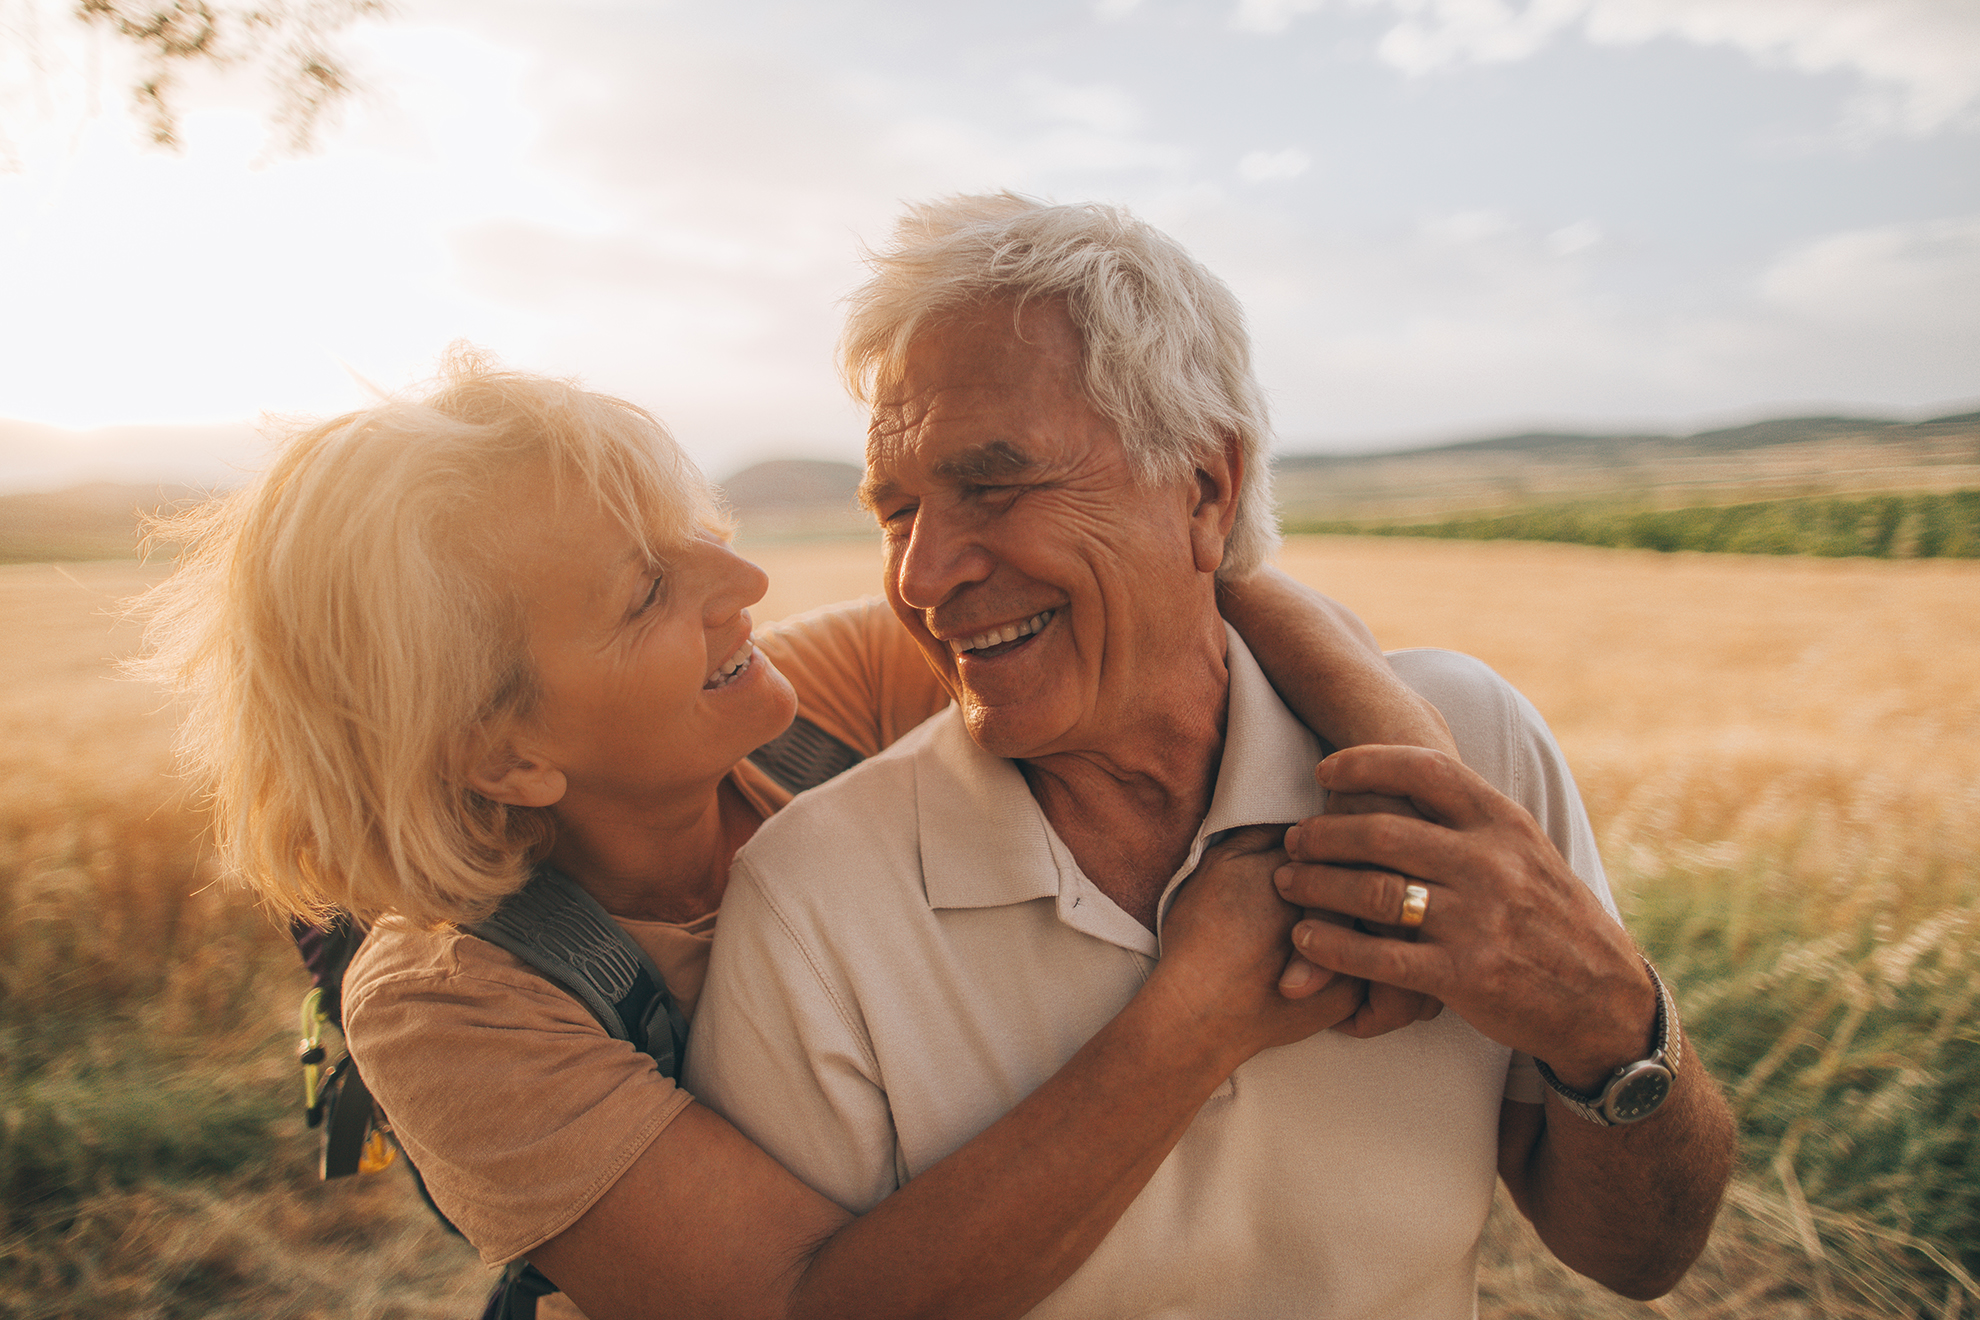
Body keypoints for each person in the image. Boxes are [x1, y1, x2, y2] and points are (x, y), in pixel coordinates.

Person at [131, 347, 1459, 1320]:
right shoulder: (454, 1009)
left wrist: (1427, 790)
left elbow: (1192, 591)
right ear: (505, 754)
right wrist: (1198, 1015)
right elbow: (805, 1306)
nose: (747, 585)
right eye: (653, 590)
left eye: (702, 534)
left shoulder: (808, 704)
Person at [686, 194, 1739, 1317]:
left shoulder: (1468, 754)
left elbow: (1643, 1259)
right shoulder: (813, 900)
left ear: (1205, 486)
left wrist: (1606, 1018)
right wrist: (1188, 1023)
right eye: (896, 512)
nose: (921, 574)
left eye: (993, 485)